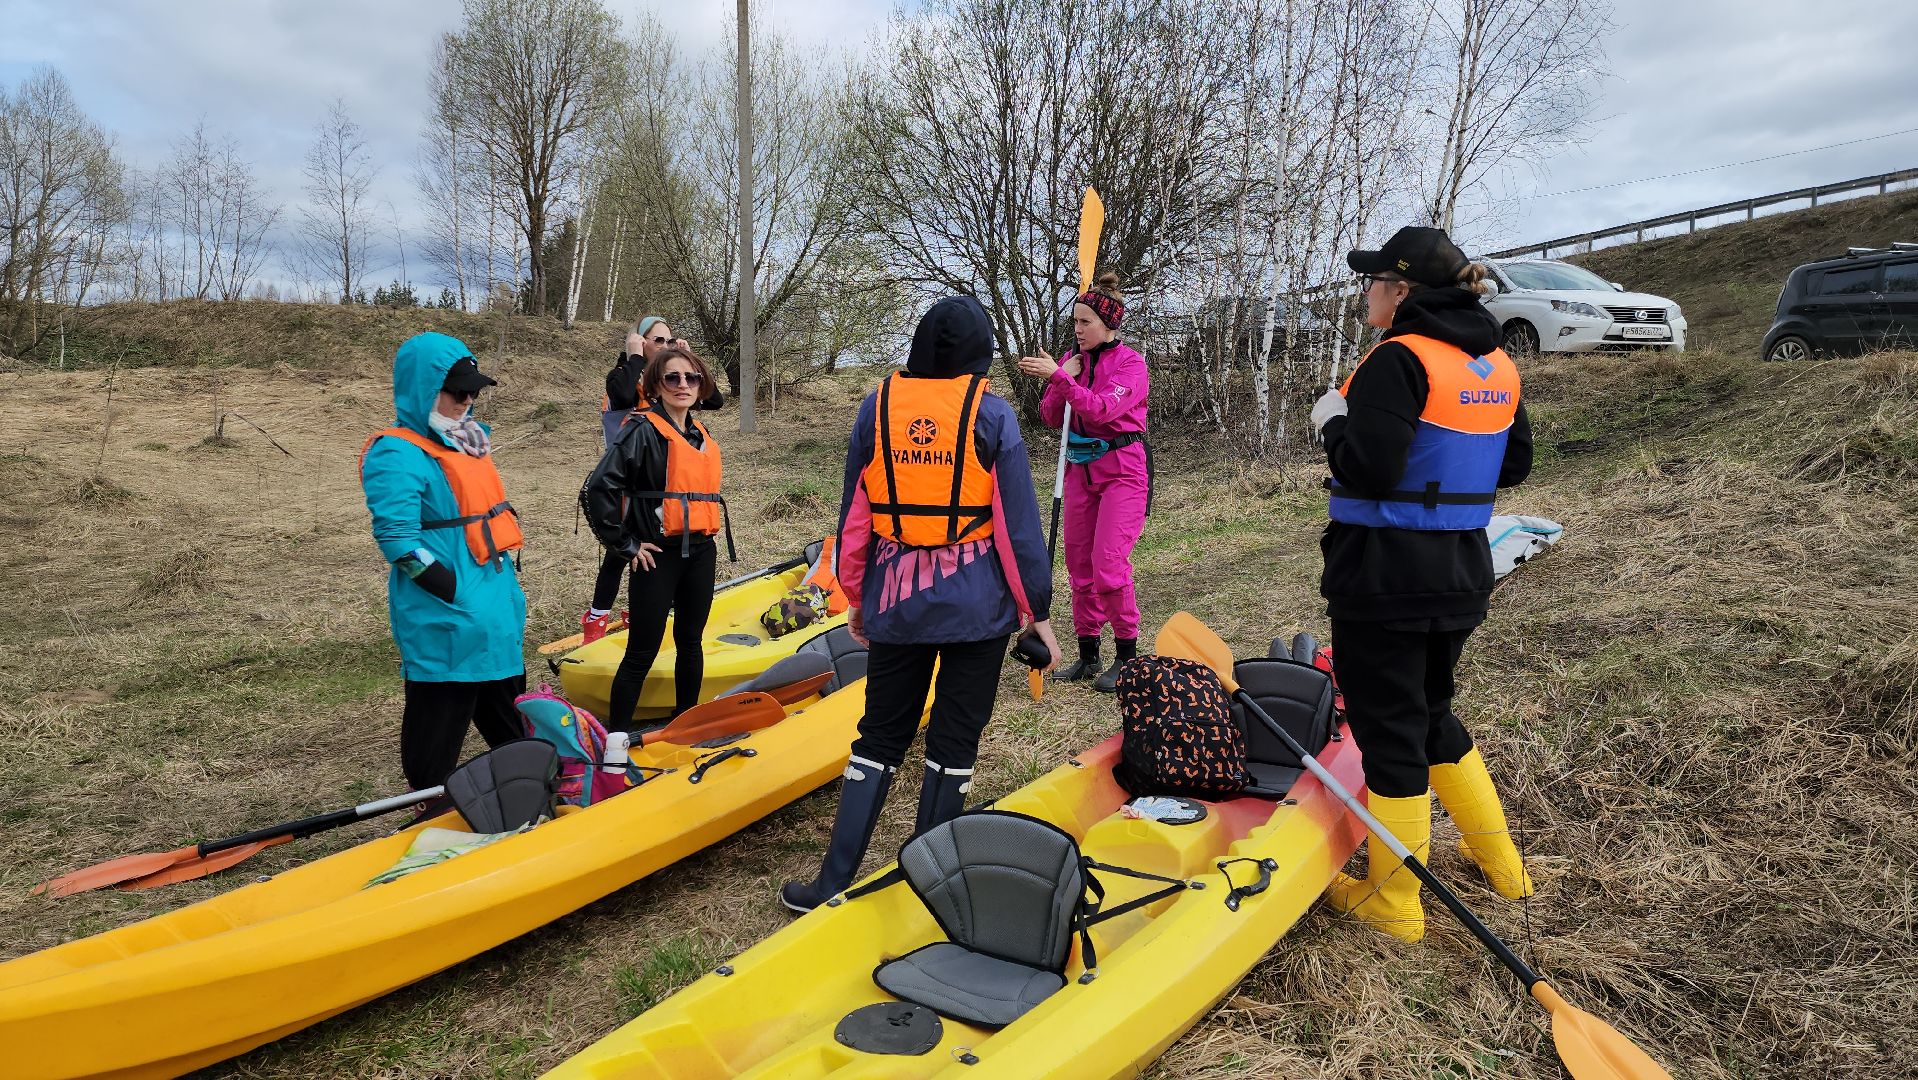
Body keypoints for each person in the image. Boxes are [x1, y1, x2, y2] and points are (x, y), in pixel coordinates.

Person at [781, 295, 1061, 913]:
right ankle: (927, 885)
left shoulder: (875, 409)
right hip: (978, 613)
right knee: (955, 742)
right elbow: (1017, 527)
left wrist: (855, 595)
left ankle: (831, 883)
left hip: (896, 603)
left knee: (879, 737)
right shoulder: (993, 417)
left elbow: (855, 516)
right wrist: (1036, 612)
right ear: (979, 358)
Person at [1310, 225, 1536, 944]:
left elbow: (1370, 468)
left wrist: (1330, 424)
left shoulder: (1396, 360)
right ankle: (1504, 866)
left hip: (1384, 574)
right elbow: (1514, 465)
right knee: (1432, 714)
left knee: (1389, 733)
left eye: (1373, 280)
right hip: (1461, 573)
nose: (1366, 291)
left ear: (1401, 291)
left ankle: (1394, 900)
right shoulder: (1497, 364)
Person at [359, 332, 529, 791]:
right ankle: (432, 808)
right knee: (433, 750)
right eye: (457, 390)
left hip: (496, 610)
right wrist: (452, 591)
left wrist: (490, 598)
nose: (467, 400)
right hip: (448, 618)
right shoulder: (396, 452)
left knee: (516, 731)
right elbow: (398, 541)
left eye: (473, 390)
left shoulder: (466, 443)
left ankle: (535, 793)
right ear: (423, 387)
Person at [580, 344, 733, 731]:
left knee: (690, 642)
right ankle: (615, 742)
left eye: (691, 377)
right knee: (641, 652)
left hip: (700, 552)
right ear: (657, 385)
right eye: (673, 378)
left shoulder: (699, 431)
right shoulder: (642, 429)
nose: (683, 384)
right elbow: (598, 488)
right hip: (658, 555)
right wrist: (626, 544)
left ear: (700, 385)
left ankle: (684, 724)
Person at [1017, 271, 1150, 693]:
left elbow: (1099, 411)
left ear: (1109, 323)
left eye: (1085, 322)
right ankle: (1089, 654)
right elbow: (1052, 416)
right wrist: (1064, 377)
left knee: (1108, 567)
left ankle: (1127, 658)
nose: (1077, 329)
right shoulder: (1073, 361)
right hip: (1078, 471)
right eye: (1074, 322)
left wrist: (1060, 376)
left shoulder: (1130, 365)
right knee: (1079, 568)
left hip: (1123, 473)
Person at [583, 316, 725, 644]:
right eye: (657, 341)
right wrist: (634, 356)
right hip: (628, 479)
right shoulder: (625, 375)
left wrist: (689, 359)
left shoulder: (679, 383)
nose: (664, 346)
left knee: (649, 556)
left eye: (668, 340)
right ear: (640, 341)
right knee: (618, 552)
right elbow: (620, 396)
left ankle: (641, 610)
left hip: (663, 479)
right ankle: (596, 620)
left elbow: (714, 400)